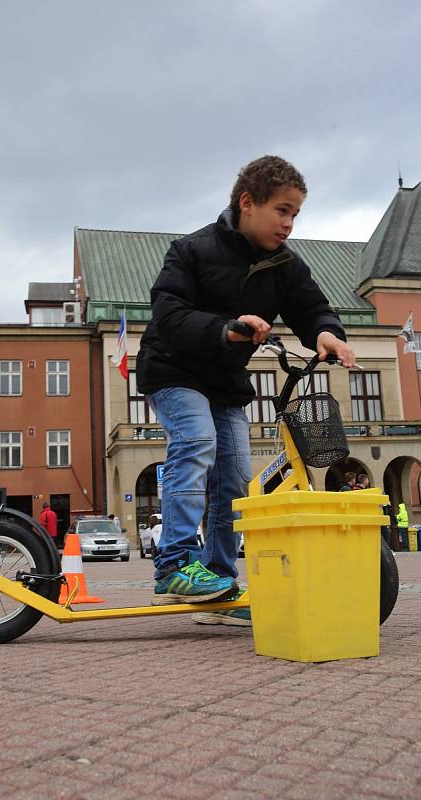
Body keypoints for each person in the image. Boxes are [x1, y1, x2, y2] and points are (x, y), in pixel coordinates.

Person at [136, 154, 355, 626]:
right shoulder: (191, 250)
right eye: (282, 210)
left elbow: (311, 307)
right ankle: (173, 565)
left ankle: (216, 584)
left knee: (235, 478)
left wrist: (326, 331)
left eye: (295, 213)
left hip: (225, 383)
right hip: (173, 369)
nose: (289, 224)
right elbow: (168, 315)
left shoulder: (285, 266)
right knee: (196, 441)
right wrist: (227, 329)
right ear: (247, 203)